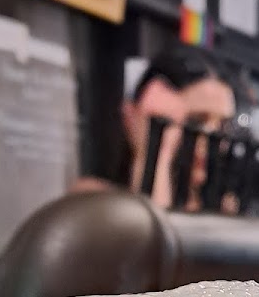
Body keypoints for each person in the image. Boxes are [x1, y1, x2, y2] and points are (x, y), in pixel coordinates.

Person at [75, 46, 237, 210]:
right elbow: (151, 224)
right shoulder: (92, 201)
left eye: (223, 125)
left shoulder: (225, 210)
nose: (214, 139)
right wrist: (156, 152)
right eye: (196, 120)